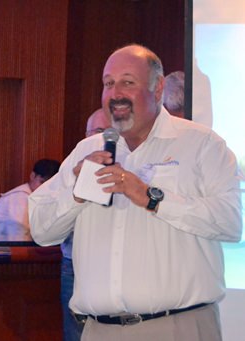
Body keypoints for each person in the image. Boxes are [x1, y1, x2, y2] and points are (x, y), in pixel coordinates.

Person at [29, 44, 242, 341]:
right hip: (98, 330)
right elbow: (42, 231)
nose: (116, 93)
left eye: (128, 82)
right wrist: (76, 194)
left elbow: (231, 222)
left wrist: (150, 198)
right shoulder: (87, 150)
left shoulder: (201, 144)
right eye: (108, 83)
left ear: (158, 89)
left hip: (177, 328)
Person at [60, 107, 111, 341]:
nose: (101, 140)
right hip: (75, 265)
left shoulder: (125, 169)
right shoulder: (72, 168)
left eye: (109, 133)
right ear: (86, 134)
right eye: (98, 132)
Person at [0, 159, 60, 241]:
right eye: (42, 182)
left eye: (51, 186)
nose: (45, 189)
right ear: (32, 176)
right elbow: (19, 237)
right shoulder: (19, 197)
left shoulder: (40, 198)